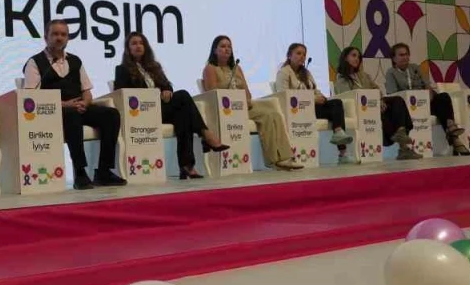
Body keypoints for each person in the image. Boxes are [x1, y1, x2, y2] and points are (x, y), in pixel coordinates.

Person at [23, 20, 127, 190]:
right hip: (52, 112)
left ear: (68, 38)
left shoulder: (75, 61)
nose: (59, 38)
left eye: (63, 34)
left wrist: (85, 103)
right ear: (46, 37)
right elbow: (32, 98)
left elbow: (86, 91)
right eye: (55, 34)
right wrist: (65, 105)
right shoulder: (35, 62)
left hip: (78, 107)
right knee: (72, 116)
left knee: (111, 115)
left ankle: (103, 171)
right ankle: (80, 173)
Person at [114, 32, 229, 179]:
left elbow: (167, 85)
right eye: (134, 43)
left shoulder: (154, 67)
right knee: (183, 97)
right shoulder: (122, 69)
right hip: (141, 112)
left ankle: (187, 166)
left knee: (184, 115)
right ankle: (205, 135)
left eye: (141, 43)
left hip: (160, 109)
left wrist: (167, 90)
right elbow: (121, 93)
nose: (138, 46)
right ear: (128, 48)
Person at [201, 35, 299, 170]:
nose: (227, 49)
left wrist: (246, 101)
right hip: (226, 110)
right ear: (214, 50)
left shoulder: (236, 68)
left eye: (229, 47)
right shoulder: (210, 68)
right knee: (267, 116)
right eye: (222, 46)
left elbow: (247, 92)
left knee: (274, 114)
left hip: (242, 106)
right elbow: (212, 94)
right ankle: (274, 160)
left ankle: (285, 157)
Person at [332, 46, 421, 160]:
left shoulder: (363, 75)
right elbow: (348, 97)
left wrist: (379, 100)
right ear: (345, 58)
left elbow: (376, 89)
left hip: (375, 104)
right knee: (387, 114)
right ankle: (403, 147)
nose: (357, 59)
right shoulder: (341, 78)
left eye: (358, 57)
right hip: (361, 108)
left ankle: (401, 133)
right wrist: (373, 103)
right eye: (353, 56)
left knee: (398, 100)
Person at [383, 42, 470, 156]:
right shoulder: (391, 73)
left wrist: (429, 94)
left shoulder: (415, 68)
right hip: (408, 107)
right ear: (394, 58)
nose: (405, 57)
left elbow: (427, 85)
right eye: (401, 55)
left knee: (443, 97)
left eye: (406, 54)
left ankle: (451, 127)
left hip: (425, 102)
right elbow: (393, 94)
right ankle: (455, 141)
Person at [275, 42, 355, 163]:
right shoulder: (284, 72)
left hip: (311, 107)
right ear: (289, 55)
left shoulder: (306, 73)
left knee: (337, 103)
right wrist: (313, 99)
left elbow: (315, 90)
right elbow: (284, 95)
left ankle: (340, 138)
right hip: (297, 110)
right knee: (334, 109)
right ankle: (342, 149)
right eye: (298, 53)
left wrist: (320, 97)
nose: (302, 57)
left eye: (304, 54)